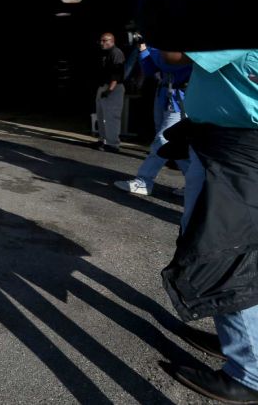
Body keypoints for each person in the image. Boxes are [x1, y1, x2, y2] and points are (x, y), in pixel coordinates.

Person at [159, 48, 258, 403]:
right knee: (240, 250)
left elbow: (171, 54)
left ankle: (249, 373)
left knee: (222, 252)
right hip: (230, 147)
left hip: (236, 152)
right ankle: (243, 342)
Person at [114, 42, 191, 196]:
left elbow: (169, 63)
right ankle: (196, 184)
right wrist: (143, 50)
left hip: (180, 100)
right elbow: (149, 69)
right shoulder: (158, 47)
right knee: (175, 144)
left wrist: (152, 51)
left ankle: (144, 181)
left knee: (162, 140)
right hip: (164, 97)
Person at [94, 33, 125, 153]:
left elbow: (117, 73)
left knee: (111, 117)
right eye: (101, 41)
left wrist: (110, 90)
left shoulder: (116, 53)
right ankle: (103, 139)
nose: (102, 43)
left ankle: (113, 144)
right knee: (101, 115)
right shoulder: (106, 53)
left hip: (113, 87)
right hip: (104, 86)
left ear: (111, 41)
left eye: (104, 40)